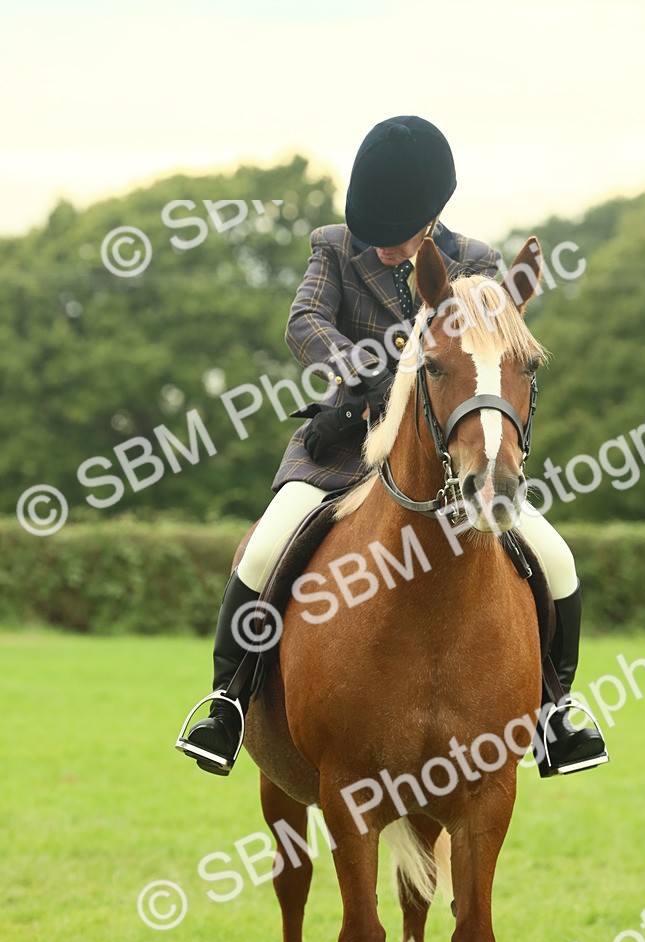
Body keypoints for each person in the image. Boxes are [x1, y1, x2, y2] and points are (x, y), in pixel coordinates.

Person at [177, 116, 608, 778]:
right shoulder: (333, 248)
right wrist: (363, 376)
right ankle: (227, 702)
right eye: (372, 235)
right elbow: (305, 322)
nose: (380, 248)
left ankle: (557, 714)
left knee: (554, 554)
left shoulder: (479, 266)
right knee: (268, 545)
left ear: (432, 218)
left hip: (448, 460)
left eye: (397, 236)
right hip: (341, 445)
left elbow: (490, 361)